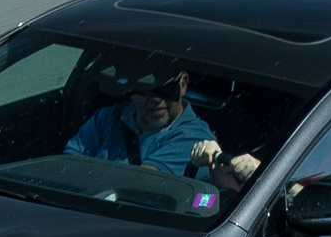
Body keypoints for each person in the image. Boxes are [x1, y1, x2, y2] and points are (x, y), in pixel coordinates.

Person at [66, 70, 261, 187]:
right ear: (131, 91)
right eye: (145, 89)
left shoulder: (193, 140)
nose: (156, 100)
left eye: (166, 90)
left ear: (183, 85)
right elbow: (67, 166)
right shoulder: (107, 117)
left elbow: (134, 185)